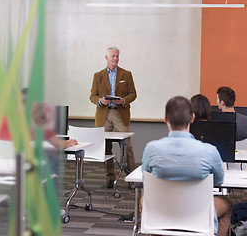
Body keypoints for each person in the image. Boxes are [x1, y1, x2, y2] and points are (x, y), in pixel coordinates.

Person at [142, 96, 232, 236]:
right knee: (227, 205)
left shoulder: (151, 149)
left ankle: (157, 231)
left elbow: (146, 179)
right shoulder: (209, 151)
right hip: (197, 214)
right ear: (192, 118)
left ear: (165, 118)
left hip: (163, 213)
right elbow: (218, 182)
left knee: (144, 200)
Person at [90, 46, 137, 188]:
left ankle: (133, 177)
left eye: (117, 56)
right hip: (103, 113)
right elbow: (92, 96)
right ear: (106, 58)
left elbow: (133, 94)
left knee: (127, 146)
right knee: (105, 147)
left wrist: (123, 100)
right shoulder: (98, 75)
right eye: (113, 56)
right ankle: (110, 178)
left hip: (119, 113)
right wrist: (100, 101)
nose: (115, 58)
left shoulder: (126, 74)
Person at [190, 94, 233, 235]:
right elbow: (219, 179)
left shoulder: (171, 146)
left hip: (174, 205)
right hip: (203, 201)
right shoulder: (215, 140)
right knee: (227, 205)